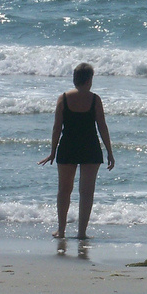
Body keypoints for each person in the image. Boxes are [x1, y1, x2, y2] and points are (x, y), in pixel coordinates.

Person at [39, 63, 115, 238]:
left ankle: (61, 230)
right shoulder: (95, 99)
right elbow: (102, 126)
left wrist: (53, 151)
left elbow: (56, 128)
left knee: (64, 190)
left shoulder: (63, 98)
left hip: (67, 147)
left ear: (75, 79)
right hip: (90, 148)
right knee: (86, 192)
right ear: (89, 79)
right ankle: (82, 232)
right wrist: (109, 151)